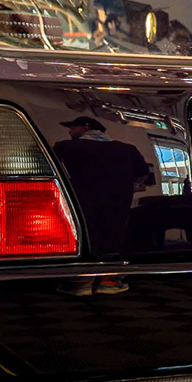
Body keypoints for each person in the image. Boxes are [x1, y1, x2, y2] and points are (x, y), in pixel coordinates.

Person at [52, 116, 154, 295]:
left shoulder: (66, 147)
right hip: (117, 202)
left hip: (80, 201)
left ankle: (80, 280)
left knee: (82, 236)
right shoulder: (127, 149)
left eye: (73, 127)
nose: (70, 131)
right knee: (113, 237)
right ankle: (109, 280)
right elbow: (143, 173)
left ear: (86, 127)